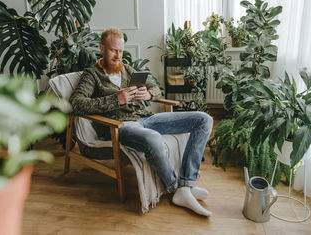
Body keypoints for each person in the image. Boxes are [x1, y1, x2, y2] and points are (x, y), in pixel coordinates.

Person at [69, 27, 213, 216]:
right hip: (121, 126)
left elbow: (155, 87)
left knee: (203, 120)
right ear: (102, 49)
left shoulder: (127, 69)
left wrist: (149, 93)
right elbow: (76, 104)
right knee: (153, 138)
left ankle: (186, 184)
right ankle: (175, 188)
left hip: (146, 118)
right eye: (113, 50)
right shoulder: (92, 75)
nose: (118, 56)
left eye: (121, 51)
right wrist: (116, 99)